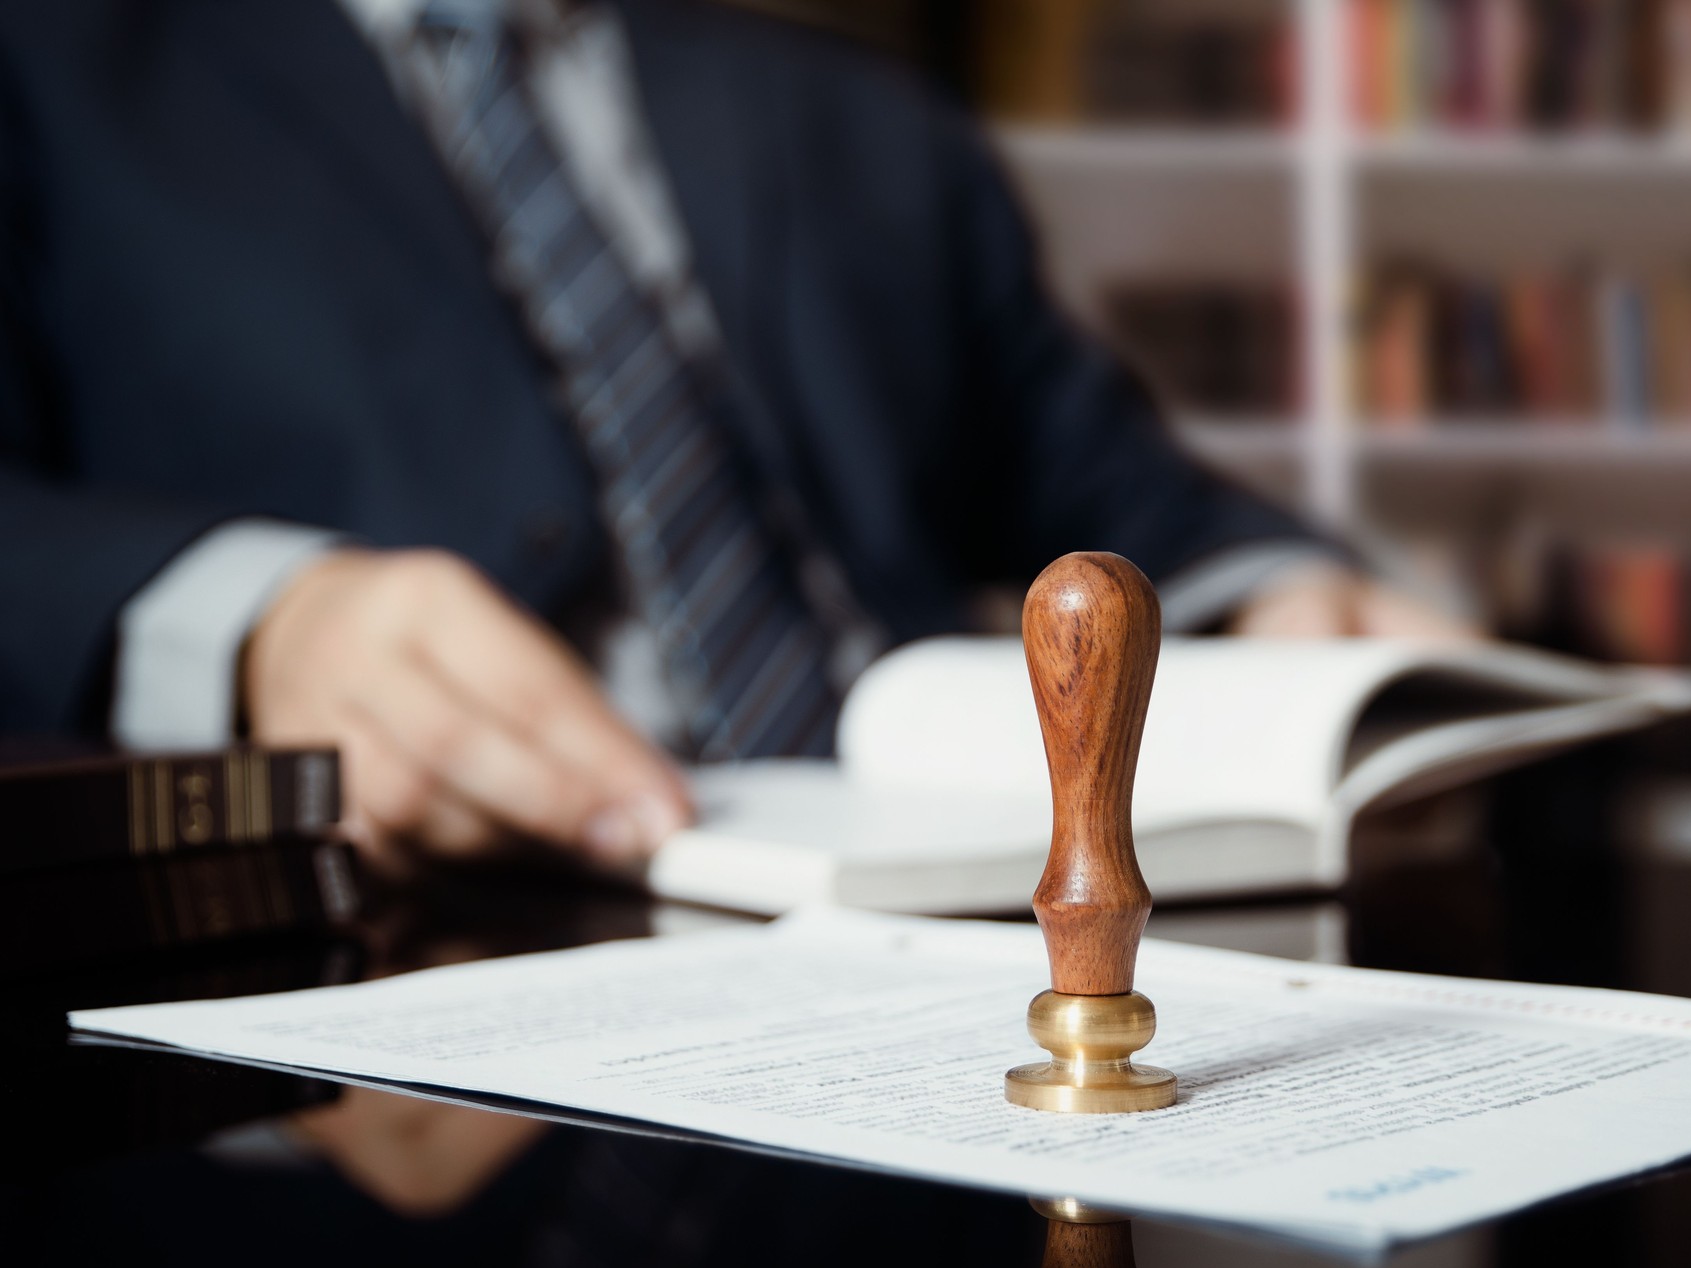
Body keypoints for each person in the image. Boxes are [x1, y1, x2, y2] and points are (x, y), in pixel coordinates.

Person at [0, 0, 1466, 872]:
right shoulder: (57, 67)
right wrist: (254, 620)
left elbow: (1122, 494)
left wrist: (1281, 592)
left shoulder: (851, 113)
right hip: (422, 935)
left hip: (940, 888)